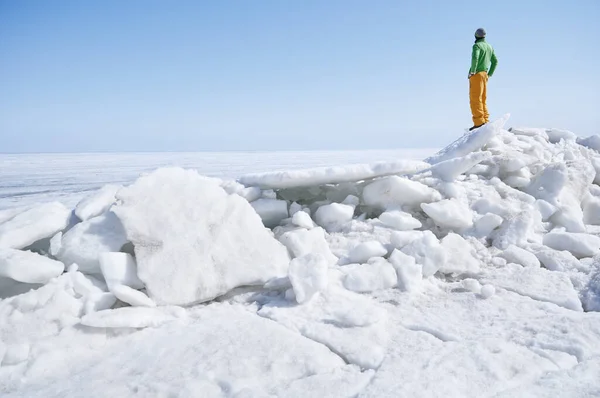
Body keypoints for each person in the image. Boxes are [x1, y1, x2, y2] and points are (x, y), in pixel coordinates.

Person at [468, 28, 498, 131]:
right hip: (485, 74)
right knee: (483, 98)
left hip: (477, 74)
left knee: (475, 98)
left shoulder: (477, 46)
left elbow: (475, 58)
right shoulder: (489, 47)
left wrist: (473, 71)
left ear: (476, 36)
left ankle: (479, 122)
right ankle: (485, 119)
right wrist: (489, 74)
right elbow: (495, 61)